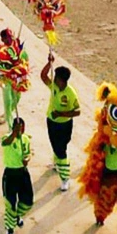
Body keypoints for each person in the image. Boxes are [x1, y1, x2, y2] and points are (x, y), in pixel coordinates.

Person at [40, 55, 81, 189]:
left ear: (63, 81)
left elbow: (77, 111)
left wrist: (61, 114)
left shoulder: (71, 93)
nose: (55, 80)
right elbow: (43, 76)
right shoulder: (54, 86)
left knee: (61, 146)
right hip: (51, 121)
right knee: (57, 146)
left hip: (65, 124)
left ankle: (62, 170)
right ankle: (61, 170)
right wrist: (49, 63)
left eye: (57, 78)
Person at [0, 117, 34, 234]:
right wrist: (14, 133)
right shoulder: (6, 137)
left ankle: (17, 216)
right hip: (10, 174)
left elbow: (28, 153)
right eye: (19, 128)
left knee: (28, 201)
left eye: (22, 128)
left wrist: (27, 160)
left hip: (22, 173)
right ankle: (10, 231)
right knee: (10, 203)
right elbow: (5, 143)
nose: (21, 130)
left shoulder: (25, 139)